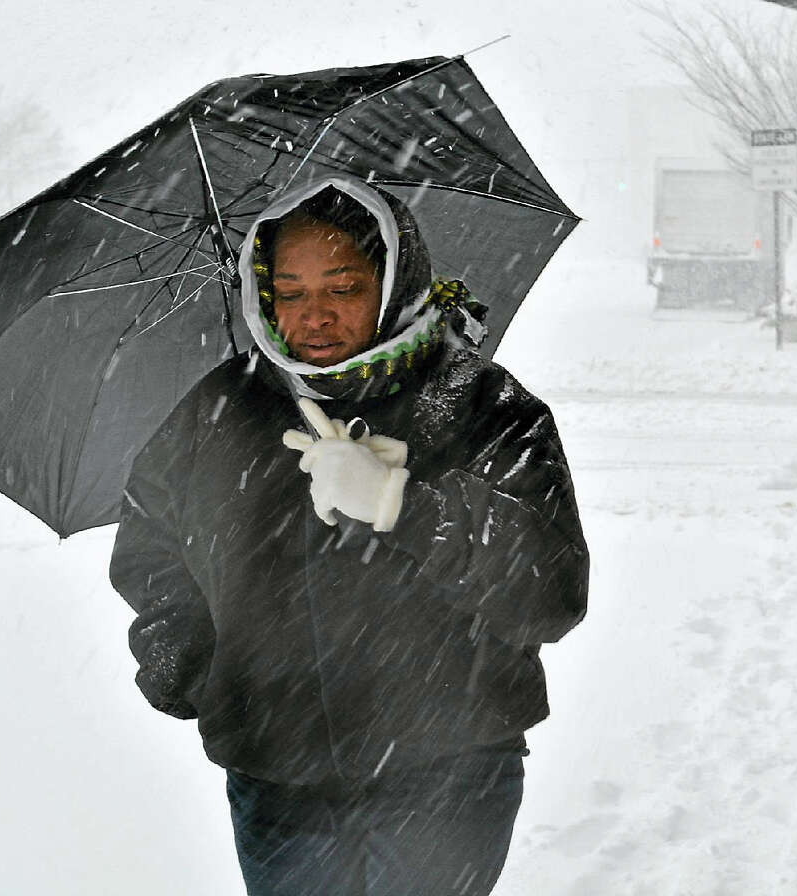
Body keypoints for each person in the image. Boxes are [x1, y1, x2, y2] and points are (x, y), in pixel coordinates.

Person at [109, 174, 589, 896]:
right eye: (291, 294)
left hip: (448, 767)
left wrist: (405, 504)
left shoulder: (480, 403)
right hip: (279, 773)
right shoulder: (224, 408)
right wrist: (189, 660)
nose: (317, 316)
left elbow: (551, 593)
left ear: (394, 282)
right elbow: (152, 547)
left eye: (344, 287)